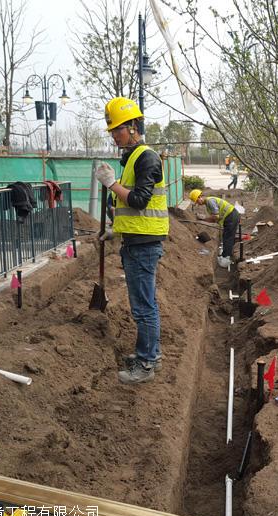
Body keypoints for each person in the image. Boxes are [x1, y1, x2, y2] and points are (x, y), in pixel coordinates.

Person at [95, 97, 168, 384]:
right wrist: (115, 229)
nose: (115, 136)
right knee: (144, 303)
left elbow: (139, 201)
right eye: (112, 131)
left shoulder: (146, 157)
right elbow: (129, 208)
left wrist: (112, 184)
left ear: (135, 126)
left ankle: (147, 363)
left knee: (143, 306)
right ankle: (149, 354)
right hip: (136, 240)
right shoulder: (133, 158)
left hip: (144, 245)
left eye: (119, 130)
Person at [189, 189, 239, 268]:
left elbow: (215, 217)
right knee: (227, 236)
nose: (197, 204)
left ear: (199, 197)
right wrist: (205, 219)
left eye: (196, 201)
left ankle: (225, 259)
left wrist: (203, 219)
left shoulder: (210, 202)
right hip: (230, 216)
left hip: (231, 216)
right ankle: (226, 255)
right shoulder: (208, 202)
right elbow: (215, 218)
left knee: (228, 237)